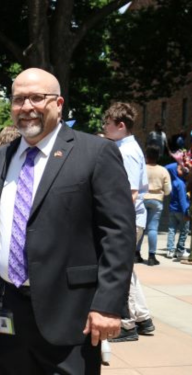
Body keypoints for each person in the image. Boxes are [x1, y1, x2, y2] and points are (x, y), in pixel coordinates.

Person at [0, 68, 135, 374]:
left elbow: (119, 234)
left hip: (71, 314)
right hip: (10, 313)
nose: (26, 107)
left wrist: (108, 304)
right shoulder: (1, 158)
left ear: (59, 103)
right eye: (18, 99)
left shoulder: (95, 153)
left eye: (36, 98)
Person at [103, 102, 155, 342]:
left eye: (107, 124)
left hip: (128, 220)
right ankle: (143, 318)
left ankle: (126, 324)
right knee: (126, 269)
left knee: (118, 270)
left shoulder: (127, 151)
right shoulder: (126, 147)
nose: (104, 128)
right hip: (132, 219)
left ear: (120, 126)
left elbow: (130, 192)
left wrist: (114, 221)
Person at [136, 145, 171, 265]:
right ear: (158, 157)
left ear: (146, 156)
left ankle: (136, 253)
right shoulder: (163, 170)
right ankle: (151, 256)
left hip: (142, 199)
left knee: (140, 226)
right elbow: (168, 189)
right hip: (156, 200)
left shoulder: (142, 168)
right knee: (153, 228)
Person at [165, 161, 190, 260]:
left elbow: (167, 167)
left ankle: (170, 250)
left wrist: (178, 164)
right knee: (184, 230)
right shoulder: (180, 184)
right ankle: (180, 250)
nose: (183, 170)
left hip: (172, 210)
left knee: (172, 230)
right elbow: (182, 199)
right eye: (180, 169)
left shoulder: (173, 182)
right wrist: (186, 212)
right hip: (181, 211)